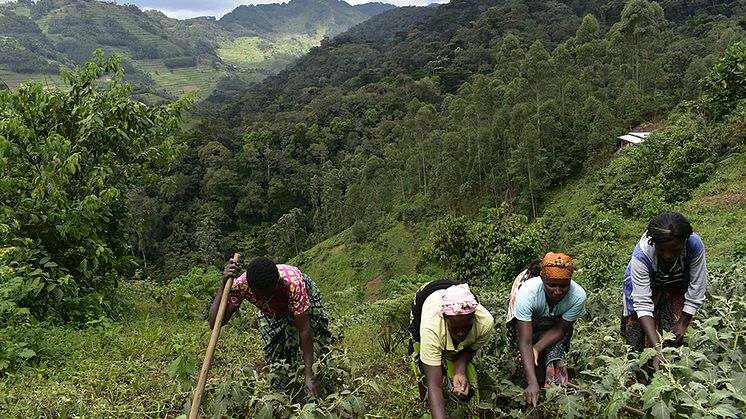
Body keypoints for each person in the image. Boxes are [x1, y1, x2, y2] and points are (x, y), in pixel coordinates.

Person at [208, 256, 331, 396]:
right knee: (273, 352)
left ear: (278, 282)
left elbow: (304, 330)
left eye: (271, 294)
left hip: (302, 296)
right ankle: (283, 396)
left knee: (318, 339)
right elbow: (215, 322)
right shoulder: (241, 286)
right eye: (263, 297)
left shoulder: (294, 285)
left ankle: (324, 382)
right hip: (271, 312)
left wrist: (308, 374)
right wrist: (223, 285)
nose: (269, 299)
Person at [621, 211, 707, 371]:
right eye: (662, 250)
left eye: (675, 249)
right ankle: (640, 383)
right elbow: (642, 304)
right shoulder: (641, 256)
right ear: (654, 244)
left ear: (684, 242)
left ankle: (678, 371)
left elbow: (697, 286)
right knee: (639, 343)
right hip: (645, 289)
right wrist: (657, 349)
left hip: (675, 286)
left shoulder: (694, 245)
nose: (668, 255)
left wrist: (683, 322)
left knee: (680, 335)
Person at [506, 252, 587, 407]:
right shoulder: (527, 292)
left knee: (554, 353)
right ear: (542, 280)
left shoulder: (578, 296)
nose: (558, 291)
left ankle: (554, 393)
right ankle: (533, 386)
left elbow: (560, 330)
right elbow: (525, 340)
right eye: (551, 285)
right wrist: (532, 383)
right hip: (530, 325)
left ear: (570, 281)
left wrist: (537, 348)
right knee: (528, 360)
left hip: (556, 326)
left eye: (564, 286)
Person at [408, 281, 494, 419]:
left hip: (451, 288)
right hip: (424, 297)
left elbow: (470, 350)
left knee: (465, 374)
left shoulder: (485, 323)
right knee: (423, 368)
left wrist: (459, 370)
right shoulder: (430, 329)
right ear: (445, 319)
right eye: (455, 329)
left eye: (466, 328)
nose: (461, 334)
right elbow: (434, 386)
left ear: (474, 318)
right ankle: (423, 403)